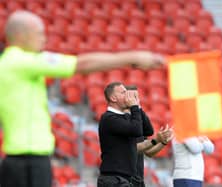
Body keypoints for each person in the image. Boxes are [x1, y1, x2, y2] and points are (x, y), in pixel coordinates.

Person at [0, 10, 165, 187]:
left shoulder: (11, 63)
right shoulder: (21, 61)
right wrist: (134, 58)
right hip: (29, 160)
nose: (44, 39)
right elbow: (80, 64)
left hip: (19, 158)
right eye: (39, 33)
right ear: (20, 35)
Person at [125, 85, 174, 187]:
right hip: (123, 179)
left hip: (138, 178)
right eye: (132, 97)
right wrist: (156, 140)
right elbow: (132, 148)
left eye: (137, 97)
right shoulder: (118, 122)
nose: (136, 101)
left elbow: (148, 153)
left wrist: (163, 142)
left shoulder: (139, 122)